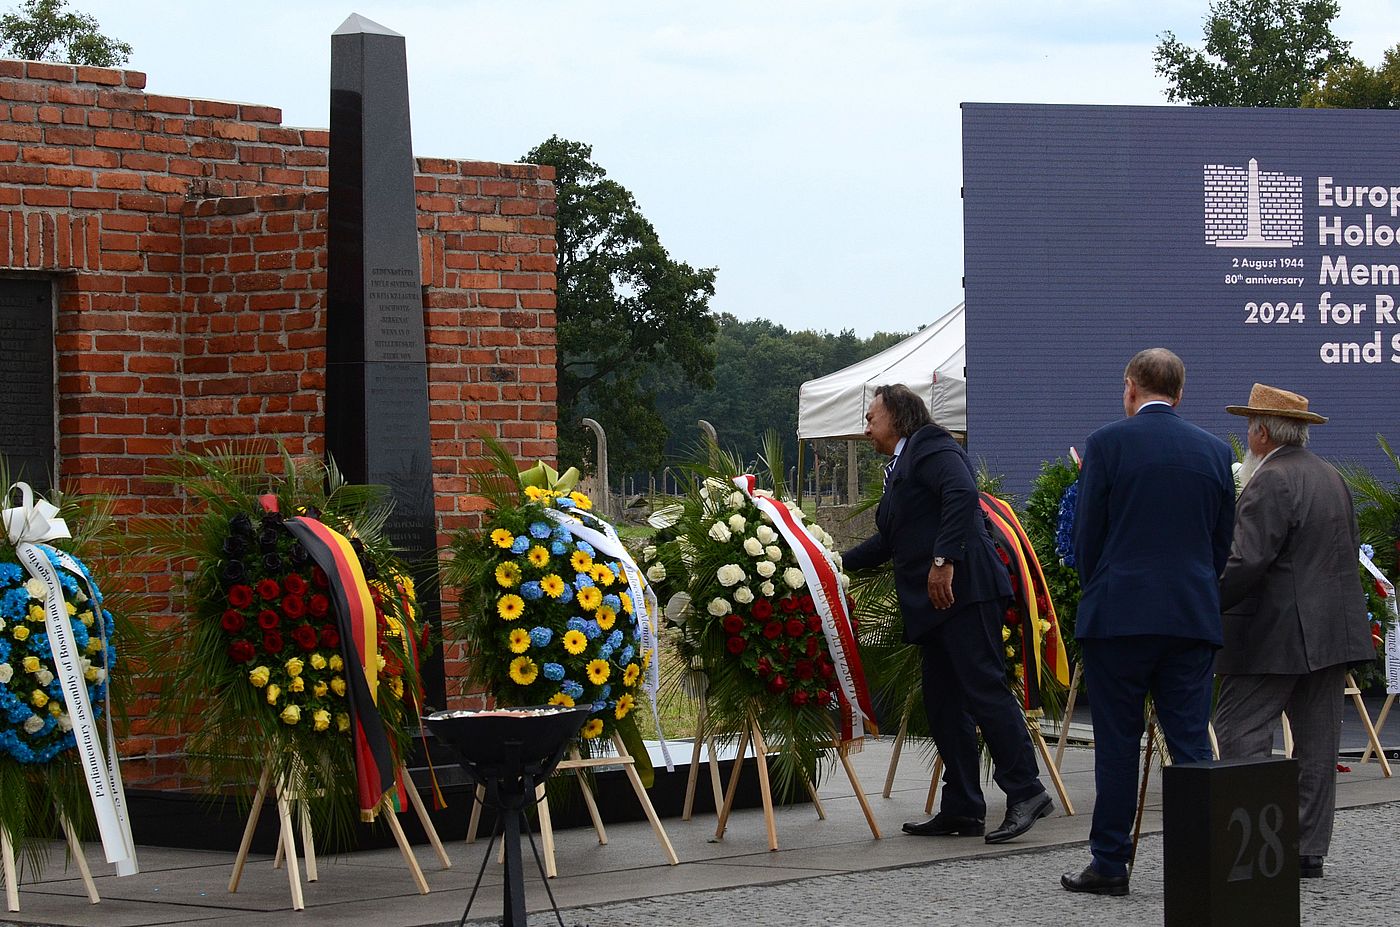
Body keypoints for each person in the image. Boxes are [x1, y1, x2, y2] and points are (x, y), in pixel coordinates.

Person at [844, 383, 1052, 845]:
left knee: (985, 690)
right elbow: (890, 541)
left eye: (871, 418)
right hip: (939, 607)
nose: (867, 429)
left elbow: (962, 493)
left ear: (898, 416)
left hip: (965, 592)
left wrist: (944, 560)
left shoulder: (932, 445)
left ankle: (1027, 790)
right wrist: (834, 563)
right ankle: (962, 807)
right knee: (943, 704)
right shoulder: (902, 466)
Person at [1063, 348, 1235, 896]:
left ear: (1130, 387)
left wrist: (1102, 586)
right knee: (1191, 745)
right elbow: (1220, 542)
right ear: (1180, 393)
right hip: (1189, 614)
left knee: (1118, 743)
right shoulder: (1215, 452)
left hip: (1119, 615)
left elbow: (1088, 536)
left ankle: (1111, 863)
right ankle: (1203, 864)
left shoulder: (1106, 444)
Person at [1214, 383, 1374, 880]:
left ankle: (1252, 850)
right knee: (1317, 744)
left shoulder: (1270, 479)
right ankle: (1307, 850)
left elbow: (1246, 562)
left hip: (1273, 635)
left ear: (1262, 432)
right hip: (1331, 633)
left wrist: (1204, 604)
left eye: (1249, 426)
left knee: (1239, 730)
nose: (1247, 435)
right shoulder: (1329, 476)